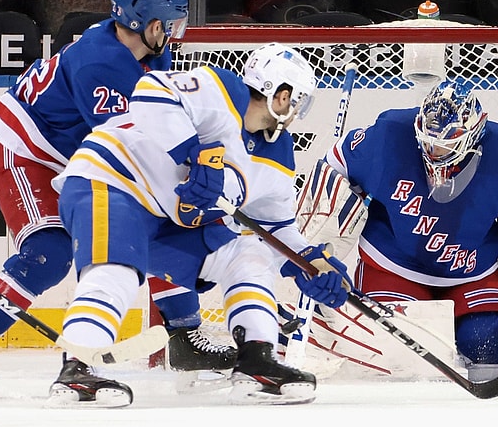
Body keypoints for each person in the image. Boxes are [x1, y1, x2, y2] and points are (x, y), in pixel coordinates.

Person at [0, 0, 234, 393]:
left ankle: (184, 336)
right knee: (52, 251)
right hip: (31, 154)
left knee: (156, 219)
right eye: (171, 25)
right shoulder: (101, 64)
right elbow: (133, 141)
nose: (175, 34)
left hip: (80, 154)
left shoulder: (149, 53)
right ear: (148, 24)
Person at [48, 42, 351, 406]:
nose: (297, 113)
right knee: (118, 270)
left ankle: (257, 359)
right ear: (282, 96)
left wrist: (310, 262)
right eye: (298, 101)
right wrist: (193, 151)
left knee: (248, 252)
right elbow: (151, 91)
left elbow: (273, 228)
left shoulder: (279, 153)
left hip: (170, 221)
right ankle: (78, 369)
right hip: (113, 183)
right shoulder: (220, 89)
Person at [319, 79, 498, 382]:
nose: (434, 152)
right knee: (396, 355)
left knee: (490, 344)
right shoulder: (389, 135)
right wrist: (327, 226)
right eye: (428, 142)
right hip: (393, 264)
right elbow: (333, 168)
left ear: (475, 135)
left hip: (474, 269)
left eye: (446, 144)